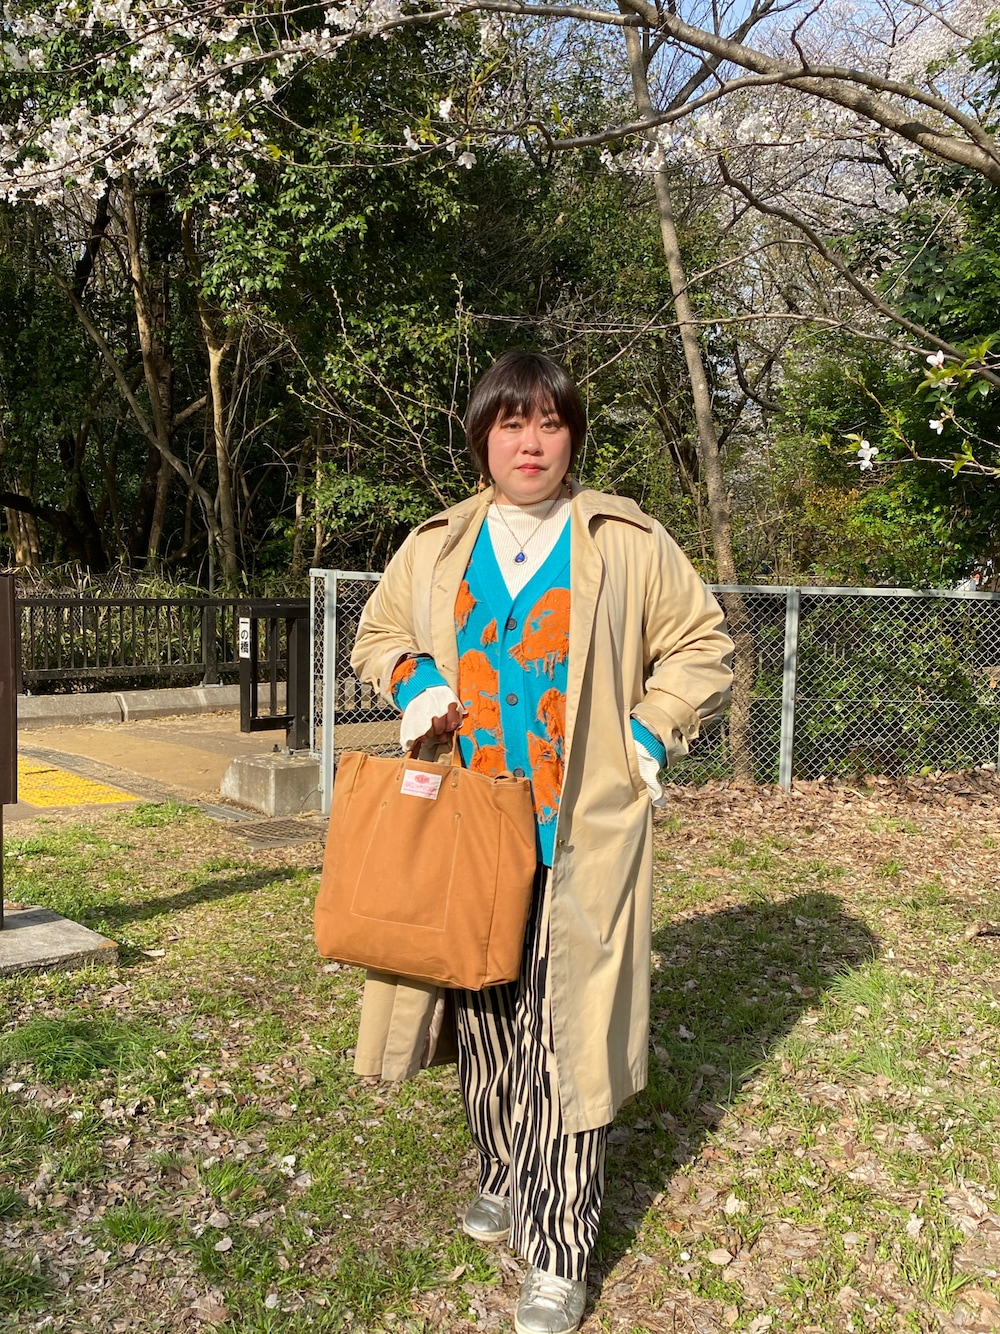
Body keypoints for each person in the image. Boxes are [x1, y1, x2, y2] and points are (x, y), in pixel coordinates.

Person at [350, 350, 733, 1334]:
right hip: (468, 834)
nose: (530, 442)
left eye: (550, 423)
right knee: (483, 1020)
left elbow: (702, 643)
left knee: (562, 1039)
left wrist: (649, 729)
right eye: (511, 423)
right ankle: (500, 1164)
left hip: (578, 834)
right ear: (482, 437)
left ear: (572, 437)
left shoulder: (626, 541)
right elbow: (378, 632)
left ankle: (557, 1251)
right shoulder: (437, 544)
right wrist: (413, 679)